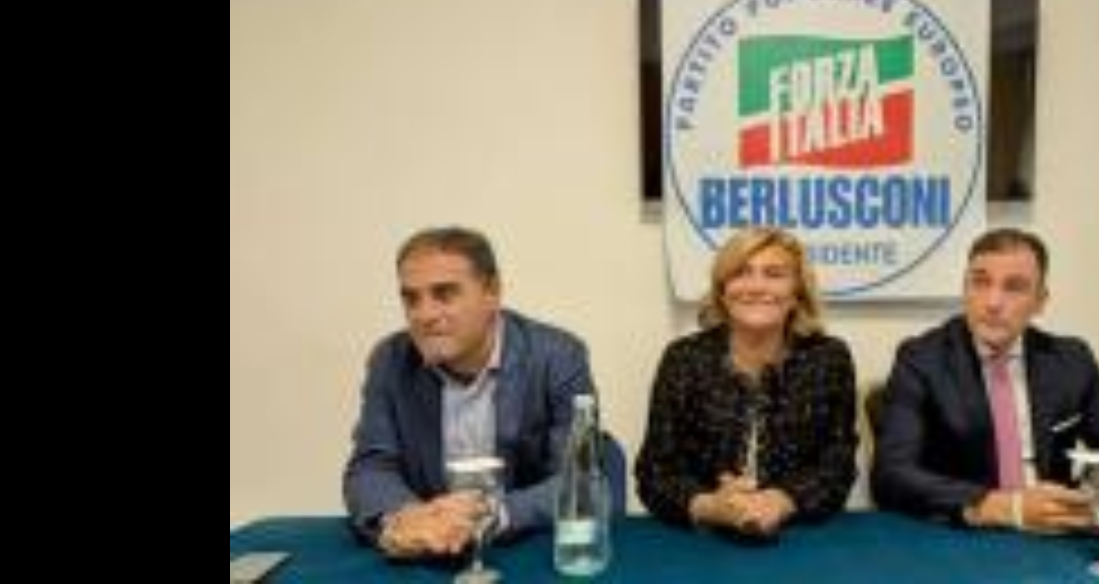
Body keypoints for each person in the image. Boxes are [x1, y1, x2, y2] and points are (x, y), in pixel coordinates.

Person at [343, 226, 625, 558]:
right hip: (430, 554)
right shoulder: (390, 360)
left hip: (523, 553)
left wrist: (492, 515)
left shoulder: (557, 356)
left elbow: (579, 479)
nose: (425, 315)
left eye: (444, 294)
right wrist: (406, 519)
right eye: (411, 299)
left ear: (492, 292)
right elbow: (371, 467)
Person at [872, 228, 1099, 536]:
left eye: (1014, 287)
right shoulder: (922, 359)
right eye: (980, 282)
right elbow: (891, 475)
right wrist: (1006, 507)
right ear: (965, 289)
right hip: (963, 536)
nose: (993, 302)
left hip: (1057, 537)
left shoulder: (1071, 361)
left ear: (1040, 302)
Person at [636, 227, 858, 537]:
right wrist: (711, 506)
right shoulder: (684, 359)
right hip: (702, 542)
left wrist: (781, 501)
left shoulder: (828, 358)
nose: (756, 286)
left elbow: (838, 466)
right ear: (722, 290)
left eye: (774, 274)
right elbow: (654, 473)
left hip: (799, 537)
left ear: (797, 293)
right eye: (741, 273)